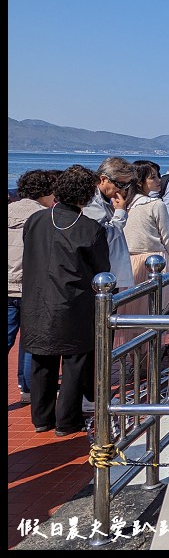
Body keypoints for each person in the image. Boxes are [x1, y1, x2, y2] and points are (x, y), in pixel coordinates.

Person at [21, 165, 110, 436]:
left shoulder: (35, 221)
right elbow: (102, 269)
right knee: (73, 362)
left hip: (36, 298)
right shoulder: (90, 229)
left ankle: (41, 418)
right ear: (87, 195)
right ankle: (67, 420)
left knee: (41, 359)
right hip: (73, 301)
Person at [8, 169, 58, 403]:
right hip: (31, 288)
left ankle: (24, 385)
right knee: (31, 341)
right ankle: (30, 391)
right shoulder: (45, 217)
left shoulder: (8, 211)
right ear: (47, 192)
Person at [119, 161, 169, 332]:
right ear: (139, 181)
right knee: (154, 314)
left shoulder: (123, 204)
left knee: (130, 315)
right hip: (155, 262)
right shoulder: (156, 205)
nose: (159, 180)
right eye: (153, 177)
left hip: (129, 263)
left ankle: (131, 355)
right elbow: (167, 237)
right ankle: (150, 355)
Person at [82, 156, 135, 292]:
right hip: (100, 279)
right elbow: (103, 238)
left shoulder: (105, 200)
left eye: (128, 185)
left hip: (108, 276)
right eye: (121, 184)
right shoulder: (91, 202)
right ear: (104, 179)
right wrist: (120, 214)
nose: (124, 190)